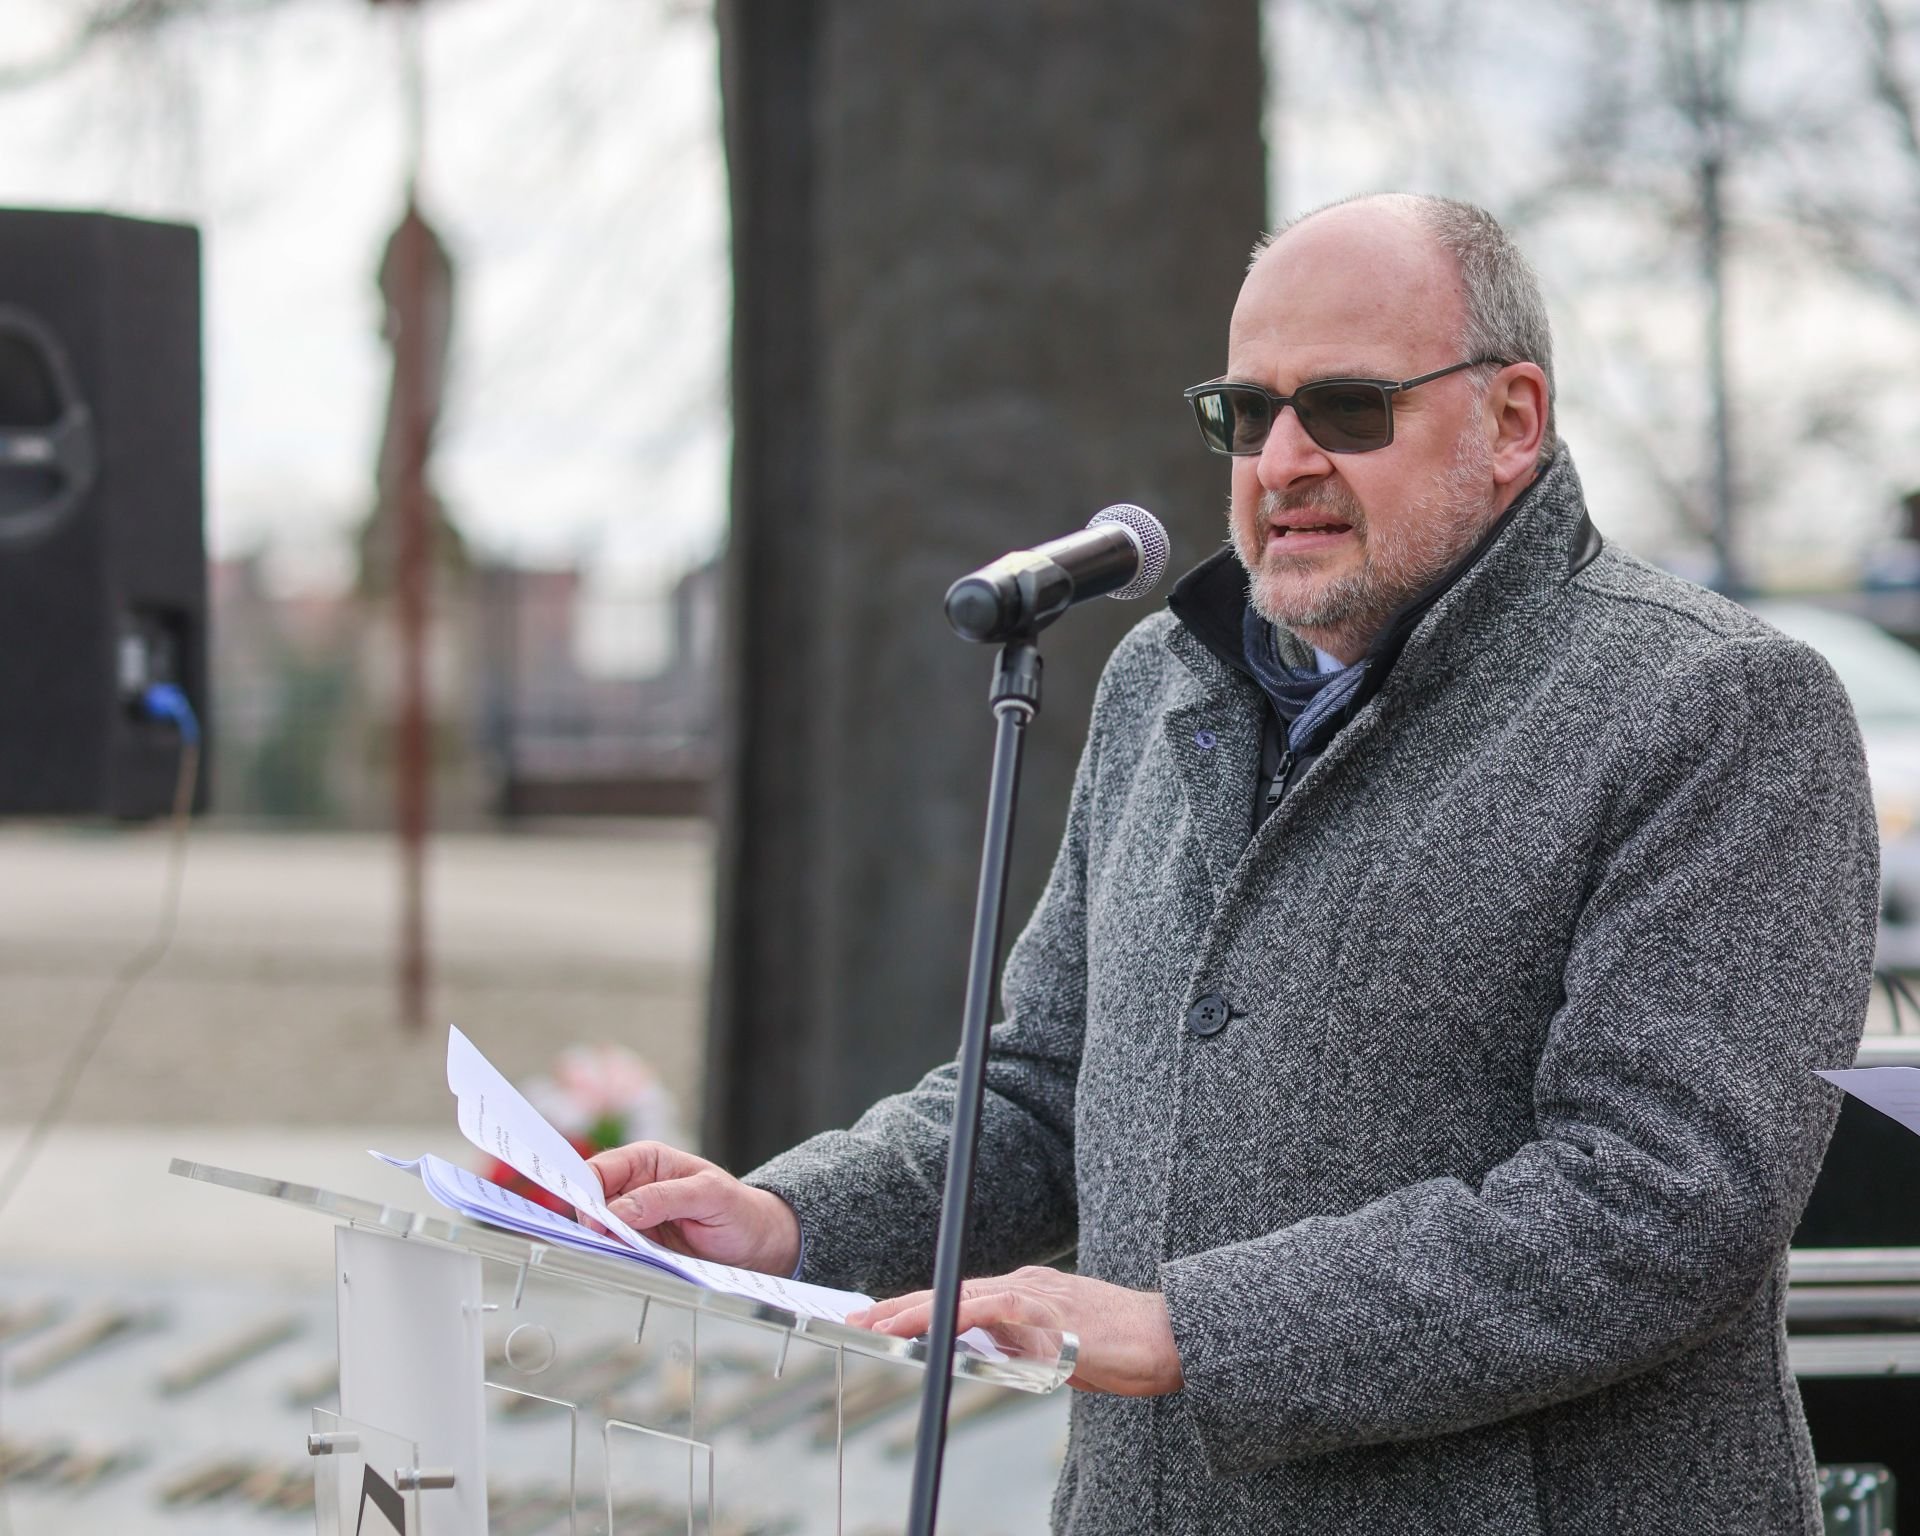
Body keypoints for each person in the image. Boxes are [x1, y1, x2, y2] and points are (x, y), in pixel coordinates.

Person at [590, 193, 1879, 1533]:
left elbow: (1660, 1205)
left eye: (1349, 408)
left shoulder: (1716, 705)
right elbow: (1045, 1091)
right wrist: (786, 1222)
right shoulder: (1163, 678)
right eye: (1246, 413)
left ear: (1511, 420)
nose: (1284, 460)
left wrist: (1196, 1332)